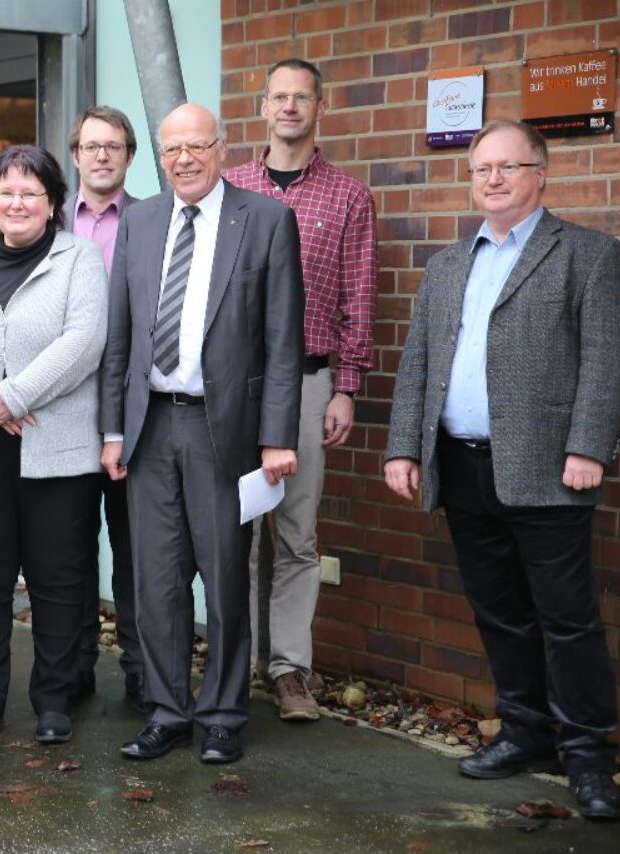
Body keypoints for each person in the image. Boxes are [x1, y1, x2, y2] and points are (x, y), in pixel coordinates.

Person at [384, 119, 620, 821]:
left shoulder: (586, 254)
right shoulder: (446, 266)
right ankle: (525, 733)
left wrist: (588, 447)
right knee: (500, 615)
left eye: (508, 166)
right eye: (481, 168)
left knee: (569, 621)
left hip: (550, 470)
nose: (492, 179)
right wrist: (404, 447)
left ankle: (589, 759)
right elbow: (417, 363)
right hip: (462, 467)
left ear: (540, 174)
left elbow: (609, 357)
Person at [100, 103, 304, 765]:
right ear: (159, 157)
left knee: (223, 576)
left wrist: (276, 437)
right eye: (171, 149)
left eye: (196, 146)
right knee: (156, 581)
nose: (183, 159)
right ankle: (167, 712)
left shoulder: (265, 219)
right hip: (151, 426)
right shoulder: (140, 222)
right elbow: (121, 335)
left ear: (222, 148)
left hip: (226, 429)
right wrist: (112, 428)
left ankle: (221, 715)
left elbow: (282, 342)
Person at [223, 58, 378, 721]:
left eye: (301, 98)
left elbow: (359, 299)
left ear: (321, 108)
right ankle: (233, 662)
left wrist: (347, 387)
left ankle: (288, 670)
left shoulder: (348, 197)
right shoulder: (230, 187)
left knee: (295, 534)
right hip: (235, 385)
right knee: (233, 530)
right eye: (278, 96)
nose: (289, 107)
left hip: (312, 381)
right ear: (263, 107)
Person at [0, 145, 108, 747]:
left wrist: (14, 396)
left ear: (53, 202)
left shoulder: (80, 259)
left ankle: (54, 699)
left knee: (57, 579)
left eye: (30, 194)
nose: (16, 203)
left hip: (58, 450)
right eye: (6, 192)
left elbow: (83, 343)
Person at [61, 105, 143, 711]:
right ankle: (76, 663)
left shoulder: (152, 220)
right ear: (75, 155)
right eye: (91, 146)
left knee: (134, 547)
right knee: (71, 548)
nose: (101, 156)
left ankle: (141, 666)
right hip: (63, 409)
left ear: (129, 156)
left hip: (132, 412)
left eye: (113, 146)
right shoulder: (48, 220)